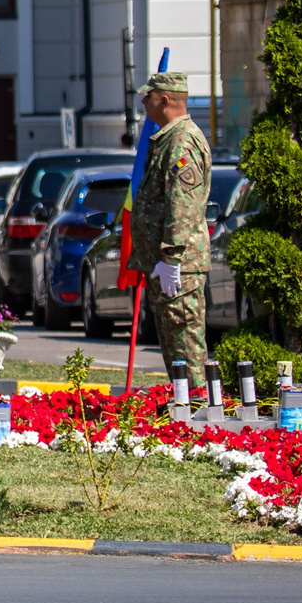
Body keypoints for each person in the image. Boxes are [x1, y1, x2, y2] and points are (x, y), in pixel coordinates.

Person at [128, 70, 213, 388]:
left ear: (163, 100)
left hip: (179, 266)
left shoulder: (181, 144)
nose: (143, 102)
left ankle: (196, 410)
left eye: (147, 97)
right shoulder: (168, 139)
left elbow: (182, 207)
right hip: (166, 264)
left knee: (186, 346)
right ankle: (183, 407)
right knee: (174, 347)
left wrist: (171, 259)